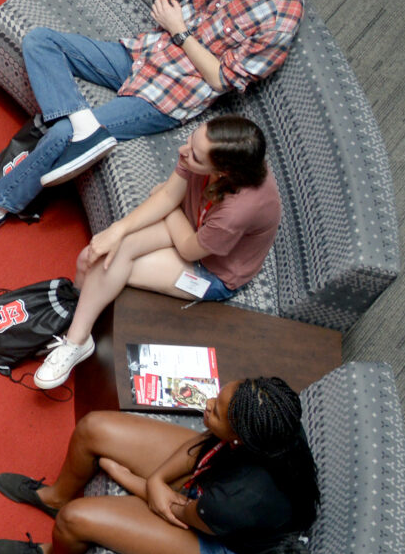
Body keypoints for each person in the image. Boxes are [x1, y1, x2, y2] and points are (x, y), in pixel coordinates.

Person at [0, 0, 325, 250]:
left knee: (61, 132)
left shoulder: (281, 20)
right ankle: (84, 125)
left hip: (170, 93)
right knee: (40, 41)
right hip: (144, 52)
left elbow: (221, 79)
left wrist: (180, 30)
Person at [0, 374, 318, 554]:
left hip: (218, 546)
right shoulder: (274, 424)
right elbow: (209, 444)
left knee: (72, 520)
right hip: (217, 483)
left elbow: (176, 511)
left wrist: (133, 479)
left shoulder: (236, 502)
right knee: (92, 428)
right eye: (216, 400)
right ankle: (55, 496)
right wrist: (159, 477)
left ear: (240, 439)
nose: (206, 404)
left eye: (215, 411)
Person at [28, 116, 281, 390]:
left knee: (104, 266)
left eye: (194, 155)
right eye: (190, 140)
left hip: (212, 269)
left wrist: (168, 203)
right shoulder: (207, 153)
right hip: (189, 221)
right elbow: (170, 195)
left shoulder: (238, 210)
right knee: (93, 256)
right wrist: (118, 229)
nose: (183, 151)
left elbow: (188, 246)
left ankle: (76, 341)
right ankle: (73, 324)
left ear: (224, 172)